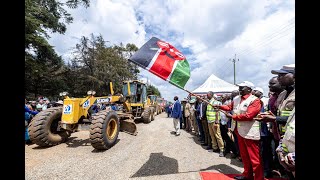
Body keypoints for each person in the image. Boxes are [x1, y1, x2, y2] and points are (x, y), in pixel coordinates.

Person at [216, 81, 263, 180]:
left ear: (249, 89)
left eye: (242, 87)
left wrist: (233, 116)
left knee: (254, 158)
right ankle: (247, 175)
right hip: (239, 131)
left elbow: (249, 115)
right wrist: (219, 106)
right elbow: (229, 107)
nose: (240, 89)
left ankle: (258, 177)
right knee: (244, 156)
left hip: (250, 132)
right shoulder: (237, 98)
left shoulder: (255, 100)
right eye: (239, 87)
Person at [206, 91, 225, 157]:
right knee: (212, 135)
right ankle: (215, 147)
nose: (206, 96)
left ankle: (222, 149)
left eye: (207, 95)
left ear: (211, 95)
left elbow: (217, 112)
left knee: (217, 135)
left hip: (214, 121)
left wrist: (217, 121)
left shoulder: (215, 102)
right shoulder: (209, 102)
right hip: (209, 121)